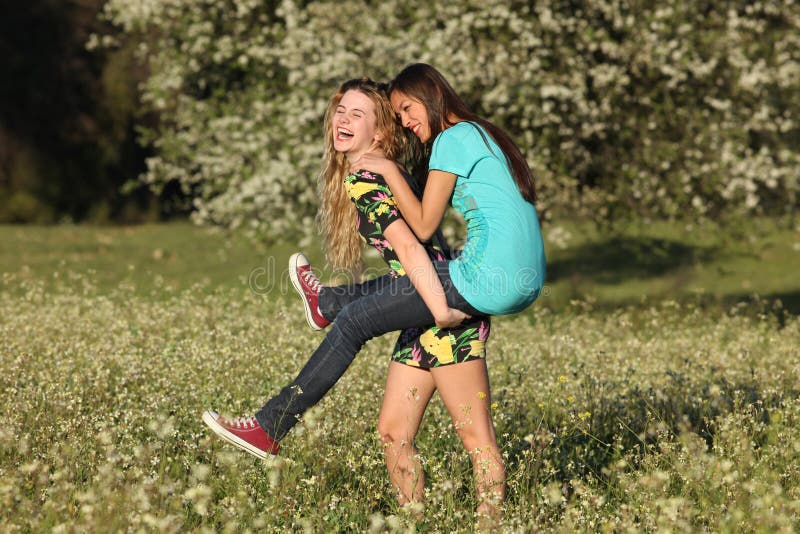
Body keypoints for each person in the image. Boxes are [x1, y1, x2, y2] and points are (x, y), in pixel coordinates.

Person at [203, 78, 502, 514]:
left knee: (477, 439)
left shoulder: (367, 180)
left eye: (357, 114)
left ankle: (490, 526)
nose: (343, 119)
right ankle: (414, 521)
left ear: (378, 132)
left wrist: (440, 310)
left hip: (443, 312)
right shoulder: (384, 172)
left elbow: (408, 248)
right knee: (392, 433)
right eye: (341, 110)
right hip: (419, 310)